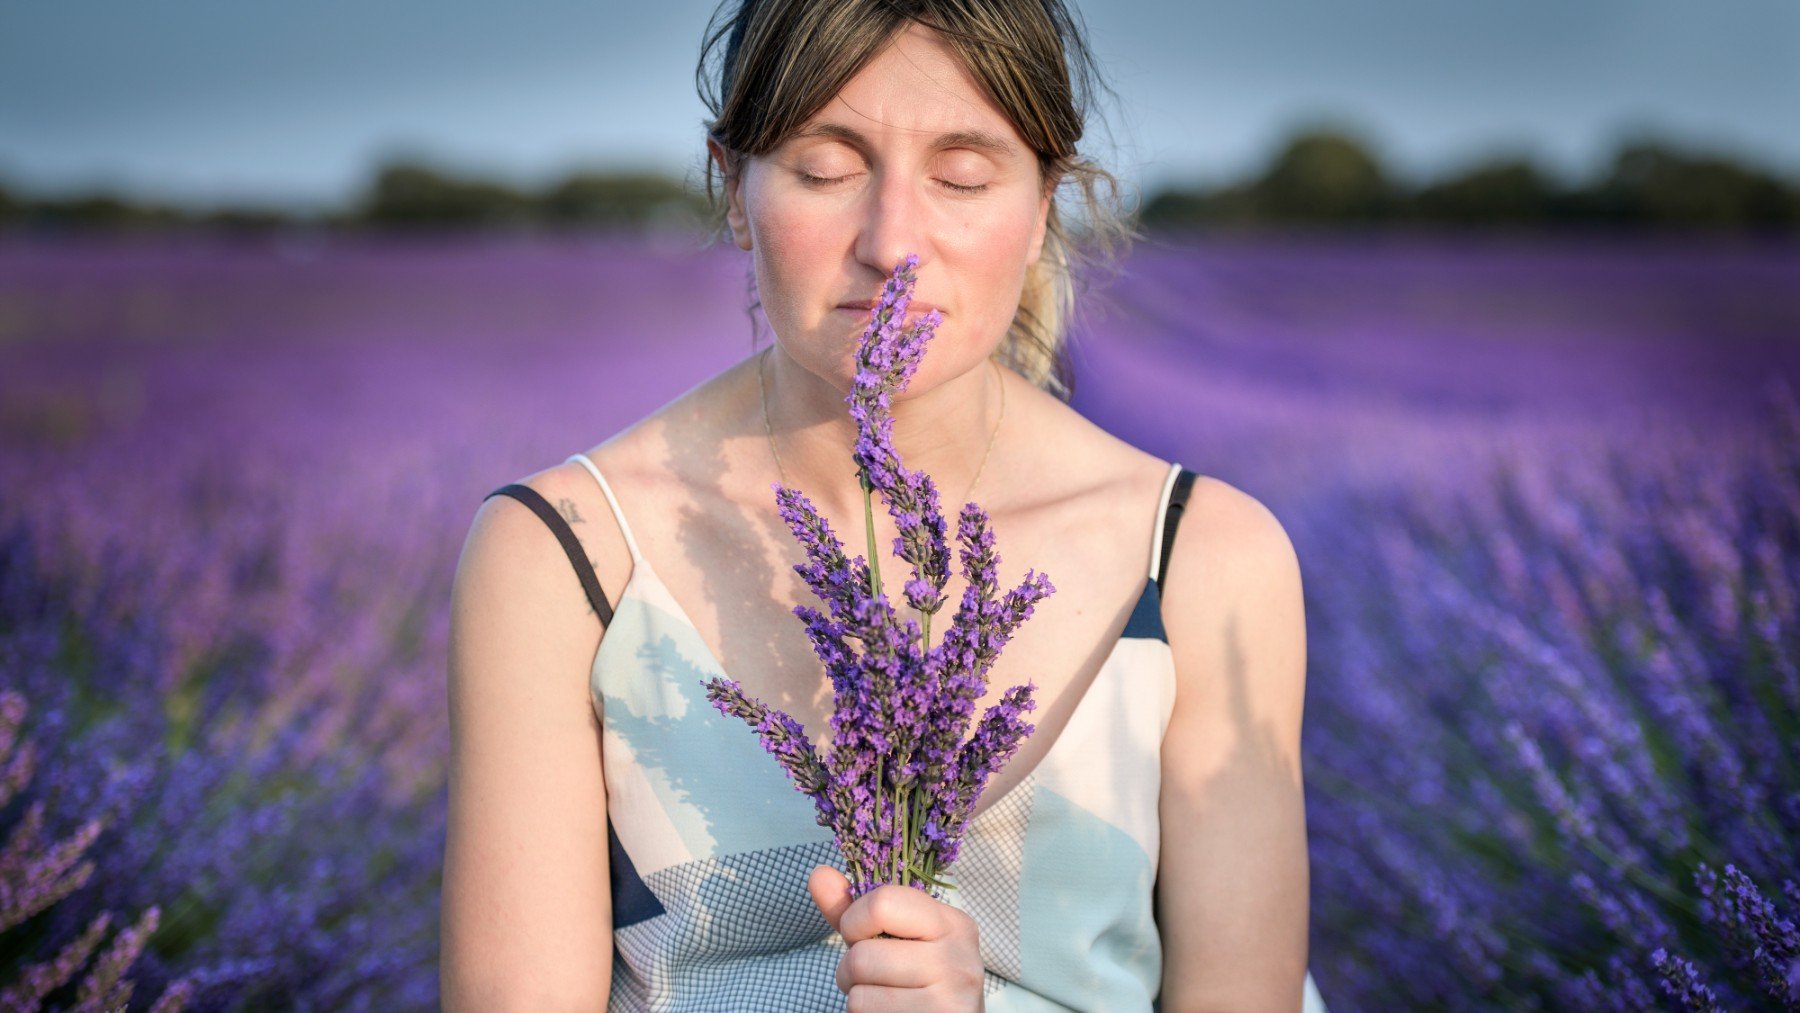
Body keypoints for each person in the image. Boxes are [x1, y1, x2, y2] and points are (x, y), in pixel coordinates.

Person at [441, 0, 1328, 1009]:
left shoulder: (1207, 559)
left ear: (1043, 204)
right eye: (826, 168)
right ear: (733, 187)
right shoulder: (561, 555)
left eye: (962, 175)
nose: (892, 241)